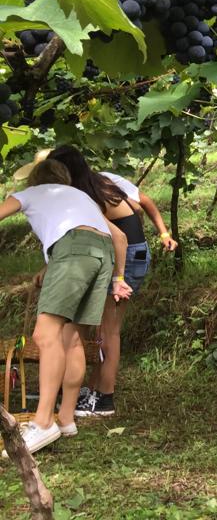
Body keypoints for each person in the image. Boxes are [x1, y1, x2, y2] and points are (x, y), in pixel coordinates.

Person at [0, 159, 131, 457]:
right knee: (71, 339)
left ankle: (44, 421)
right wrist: (118, 279)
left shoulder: (30, 194)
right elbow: (118, 237)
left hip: (73, 251)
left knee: (45, 336)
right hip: (102, 253)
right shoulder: (80, 197)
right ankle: (67, 418)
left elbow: (71, 242)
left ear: (35, 179)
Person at [43, 145, 158, 419]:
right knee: (101, 330)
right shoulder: (96, 183)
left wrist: (118, 277)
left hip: (125, 256)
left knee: (109, 330)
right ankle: (93, 389)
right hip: (129, 253)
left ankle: (105, 399)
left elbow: (117, 237)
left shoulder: (85, 195)